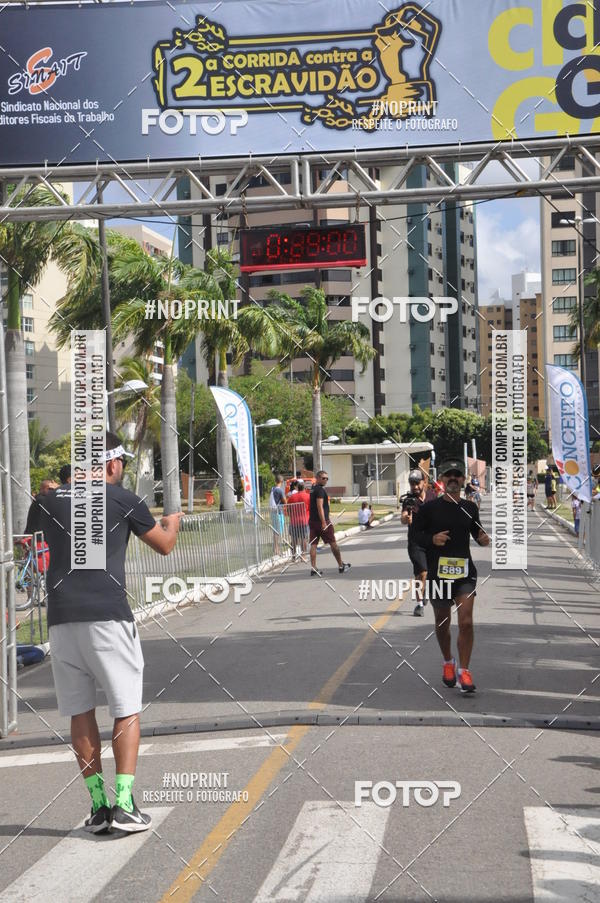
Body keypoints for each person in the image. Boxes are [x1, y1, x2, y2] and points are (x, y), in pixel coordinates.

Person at [24, 431, 183, 835]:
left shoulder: (47, 500)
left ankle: (98, 807)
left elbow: (28, 544)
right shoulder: (123, 499)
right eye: (121, 463)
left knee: (80, 711)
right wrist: (173, 522)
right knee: (125, 708)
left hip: (61, 620)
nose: (122, 470)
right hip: (108, 617)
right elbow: (164, 545)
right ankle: (126, 804)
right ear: (111, 464)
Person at [412, 459, 490, 693]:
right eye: (449, 476)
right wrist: (431, 540)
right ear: (442, 480)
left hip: (465, 574)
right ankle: (448, 661)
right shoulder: (429, 509)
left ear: (463, 480)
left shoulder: (470, 507)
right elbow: (415, 538)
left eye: (457, 475)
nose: (453, 479)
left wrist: (483, 538)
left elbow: (478, 533)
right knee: (442, 622)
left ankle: (464, 671)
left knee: (465, 622)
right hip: (438, 574)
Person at [400, 469, 431, 617]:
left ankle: (422, 592)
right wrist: (407, 518)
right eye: (412, 484)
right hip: (415, 542)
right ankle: (419, 605)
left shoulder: (433, 496)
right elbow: (403, 517)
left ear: (424, 482)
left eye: (417, 483)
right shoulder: (409, 500)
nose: (415, 487)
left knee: (425, 574)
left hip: (432, 541)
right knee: (422, 572)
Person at [308, 470, 350, 576]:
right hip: (322, 522)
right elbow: (320, 506)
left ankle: (313, 568)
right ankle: (341, 565)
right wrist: (323, 522)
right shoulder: (320, 490)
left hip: (312, 522)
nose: (325, 480)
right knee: (333, 543)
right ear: (317, 478)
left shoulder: (313, 489)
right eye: (323, 478)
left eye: (327, 478)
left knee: (313, 544)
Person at [289, 480, 309, 562]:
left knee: (294, 539)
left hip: (293, 521)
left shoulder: (292, 497)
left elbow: (288, 508)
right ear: (304, 488)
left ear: (297, 488)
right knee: (304, 538)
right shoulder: (308, 496)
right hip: (304, 521)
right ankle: (303, 555)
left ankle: (293, 556)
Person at [268, 474, 286, 555]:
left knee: (275, 531)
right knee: (278, 531)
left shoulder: (272, 489)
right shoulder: (280, 490)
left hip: (273, 512)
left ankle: (275, 548)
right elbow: (285, 501)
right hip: (279, 512)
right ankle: (277, 549)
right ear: (282, 482)